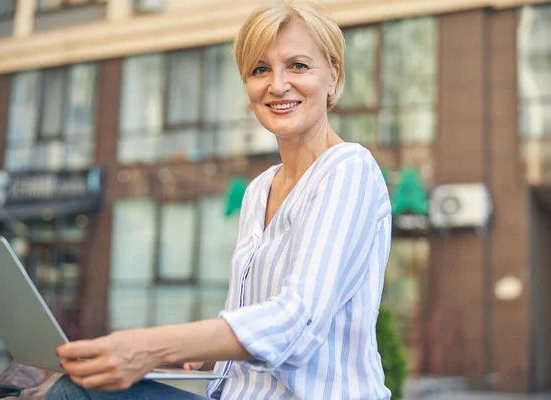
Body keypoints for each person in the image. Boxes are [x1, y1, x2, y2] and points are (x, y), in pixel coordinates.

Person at [46, 1, 392, 399]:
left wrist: (149, 347)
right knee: (69, 386)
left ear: (333, 76)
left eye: (298, 66)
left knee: (76, 395)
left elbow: (297, 321)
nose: (277, 85)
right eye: (260, 70)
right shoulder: (258, 190)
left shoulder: (348, 168)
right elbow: (256, 323)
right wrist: (207, 356)